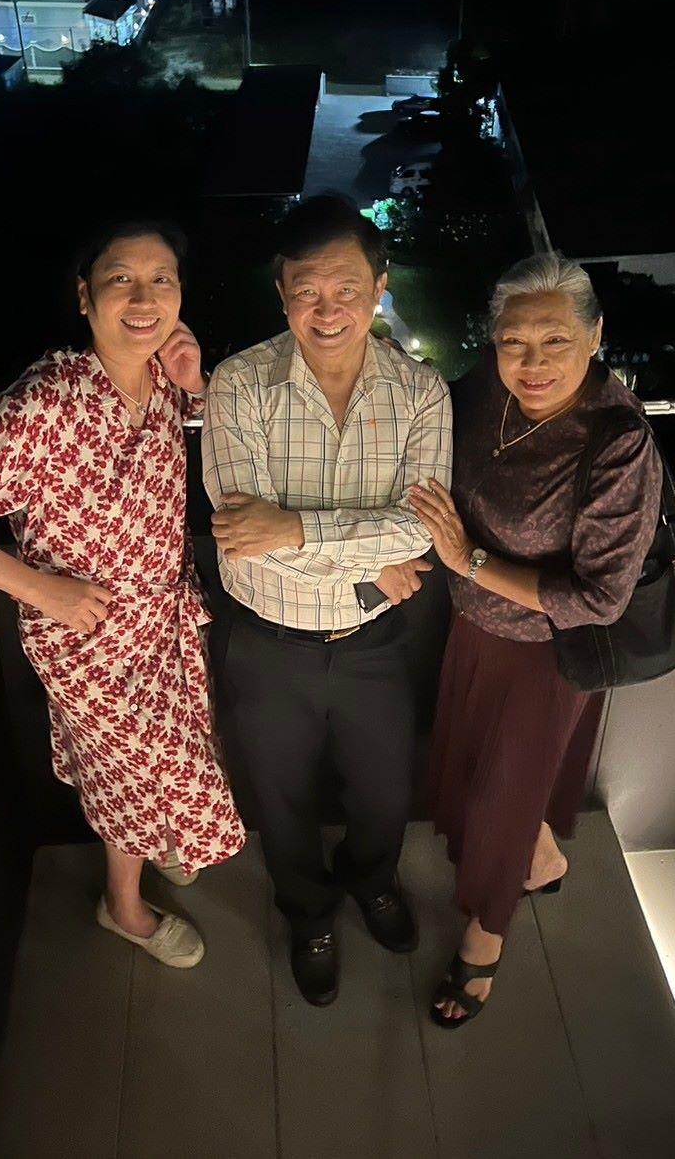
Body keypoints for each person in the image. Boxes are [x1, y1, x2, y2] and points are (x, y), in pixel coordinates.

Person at [0, 218, 245, 970]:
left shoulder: (160, 378)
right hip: (89, 640)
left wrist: (196, 385)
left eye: (161, 280)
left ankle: (158, 835)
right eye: (120, 279)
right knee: (126, 777)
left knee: (171, 754)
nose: (143, 299)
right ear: (84, 296)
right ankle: (123, 906)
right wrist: (41, 588)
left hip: (164, 618)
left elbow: (194, 443)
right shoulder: (49, 400)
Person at [202, 194, 452, 1006]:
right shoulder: (240, 384)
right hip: (265, 642)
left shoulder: (421, 392)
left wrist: (297, 530)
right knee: (280, 799)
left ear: (379, 286)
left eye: (346, 288)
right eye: (306, 290)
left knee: (386, 791)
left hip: (375, 639)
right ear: (281, 294)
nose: (327, 309)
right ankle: (308, 913)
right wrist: (366, 560)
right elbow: (242, 536)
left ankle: (373, 880)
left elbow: (421, 531)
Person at [409, 252, 662, 1028]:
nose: (533, 362)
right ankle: (542, 857)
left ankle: (484, 939)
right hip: (474, 628)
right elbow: (411, 406)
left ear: (595, 335)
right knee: (471, 771)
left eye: (556, 340)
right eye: (514, 341)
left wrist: (468, 560)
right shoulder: (485, 391)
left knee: (499, 801)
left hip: (550, 654)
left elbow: (598, 597)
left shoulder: (615, 440)